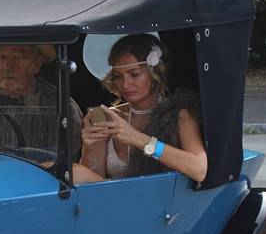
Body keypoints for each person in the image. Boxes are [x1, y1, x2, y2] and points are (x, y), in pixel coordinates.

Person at [74, 34, 207, 184]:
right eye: (118, 76)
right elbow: (91, 184)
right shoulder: (110, 117)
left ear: (154, 73)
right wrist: (88, 147)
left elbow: (199, 169)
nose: (125, 84)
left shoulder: (180, 114)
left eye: (134, 74)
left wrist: (138, 139)